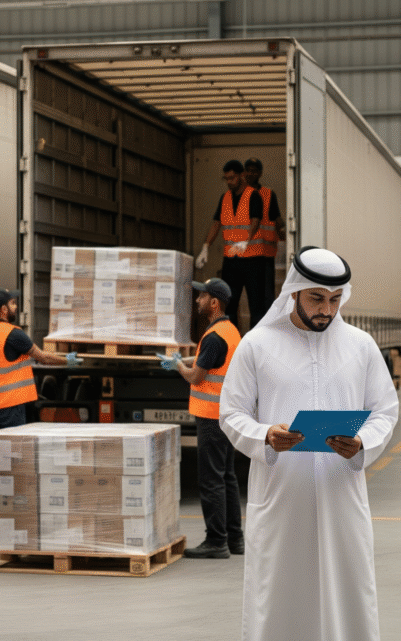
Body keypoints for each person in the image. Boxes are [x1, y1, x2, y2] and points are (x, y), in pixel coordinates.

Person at [218, 247, 399, 641]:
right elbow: (231, 414)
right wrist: (264, 435)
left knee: (347, 591)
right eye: (316, 298)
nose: (326, 310)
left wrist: (363, 443)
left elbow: (385, 411)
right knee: (280, 596)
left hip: (341, 495)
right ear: (294, 292)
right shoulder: (257, 344)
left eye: (335, 300)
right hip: (281, 495)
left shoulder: (361, 345)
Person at [0, 288, 83, 522]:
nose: (16, 308)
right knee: (15, 455)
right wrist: (67, 362)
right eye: (12, 304)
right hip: (11, 404)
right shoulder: (14, 334)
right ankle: (17, 503)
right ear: (3, 309)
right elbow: (43, 357)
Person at [163, 277, 244, 559]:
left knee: (211, 479)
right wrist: (184, 360)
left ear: (213, 303)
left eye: (201, 297)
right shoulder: (230, 331)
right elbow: (208, 364)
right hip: (228, 415)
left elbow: (197, 376)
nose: (196, 300)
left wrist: (177, 368)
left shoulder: (213, 338)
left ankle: (216, 541)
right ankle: (235, 539)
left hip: (211, 417)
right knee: (227, 477)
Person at [195, 159, 268, 329]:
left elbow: (255, 221)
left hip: (252, 259)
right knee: (229, 304)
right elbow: (216, 224)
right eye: (226, 179)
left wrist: (246, 240)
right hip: (231, 260)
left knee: (256, 306)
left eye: (232, 178)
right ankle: (231, 343)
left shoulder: (253, 195)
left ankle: (254, 346)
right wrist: (206, 247)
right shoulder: (225, 198)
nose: (229, 182)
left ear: (242, 176)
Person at [243, 157, 288, 324]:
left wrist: (286, 239)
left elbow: (277, 221)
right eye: (248, 170)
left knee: (266, 297)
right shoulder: (239, 195)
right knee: (251, 299)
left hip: (266, 256)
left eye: (254, 170)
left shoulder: (268, 194)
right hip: (244, 256)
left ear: (260, 173)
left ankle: (265, 329)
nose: (250, 173)